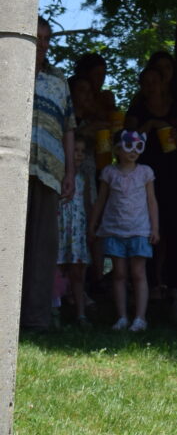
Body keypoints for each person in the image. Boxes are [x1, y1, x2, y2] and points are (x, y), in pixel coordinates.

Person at [22, 18, 75, 331]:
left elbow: (69, 128)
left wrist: (69, 171)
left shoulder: (59, 80)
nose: (42, 43)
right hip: (15, 167)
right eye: (36, 37)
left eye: (46, 38)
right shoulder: (10, 68)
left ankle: (36, 319)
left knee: (43, 249)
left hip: (50, 173)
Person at [125, 62, 177, 292]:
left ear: (163, 83)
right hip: (144, 180)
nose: (151, 87)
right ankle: (149, 282)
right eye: (145, 83)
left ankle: (174, 282)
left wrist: (175, 136)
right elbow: (126, 145)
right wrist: (149, 126)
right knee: (147, 232)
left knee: (175, 231)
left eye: (154, 82)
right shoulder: (137, 111)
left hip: (175, 179)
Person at [88, 129, 159, 332]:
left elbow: (152, 201)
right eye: (128, 146)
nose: (133, 151)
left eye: (138, 146)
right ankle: (121, 317)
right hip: (114, 230)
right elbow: (101, 200)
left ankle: (140, 318)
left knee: (138, 273)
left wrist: (155, 228)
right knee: (118, 274)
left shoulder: (145, 172)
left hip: (140, 230)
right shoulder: (109, 173)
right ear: (117, 149)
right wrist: (93, 225)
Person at [57, 136, 94, 324]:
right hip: (61, 227)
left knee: (77, 271)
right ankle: (53, 309)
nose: (79, 155)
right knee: (56, 268)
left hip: (77, 230)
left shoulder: (82, 178)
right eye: (75, 150)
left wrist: (89, 228)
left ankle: (81, 313)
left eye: (82, 151)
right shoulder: (57, 176)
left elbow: (87, 204)